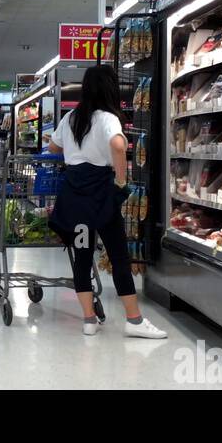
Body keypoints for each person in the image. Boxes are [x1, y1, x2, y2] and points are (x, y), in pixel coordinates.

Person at [47, 65, 167, 339]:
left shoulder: (71, 118)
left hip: (75, 196)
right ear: (109, 88)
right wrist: (121, 181)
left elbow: (54, 148)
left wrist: (66, 144)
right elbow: (118, 145)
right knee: (118, 256)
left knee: (82, 257)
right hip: (101, 196)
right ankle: (134, 321)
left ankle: (89, 320)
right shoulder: (108, 118)